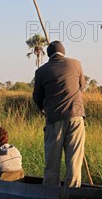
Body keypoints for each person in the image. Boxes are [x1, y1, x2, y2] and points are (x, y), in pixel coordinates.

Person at [33, 40, 86, 187]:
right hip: (76, 117)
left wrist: (44, 111)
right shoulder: (76, 64)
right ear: (63, 52)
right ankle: (73, 195)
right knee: (74, 162)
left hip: (54, 119)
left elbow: (37, 97)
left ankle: (50, 197)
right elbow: (82, 86)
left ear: (48, 55)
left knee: (52, 164)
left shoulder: (41, 71)